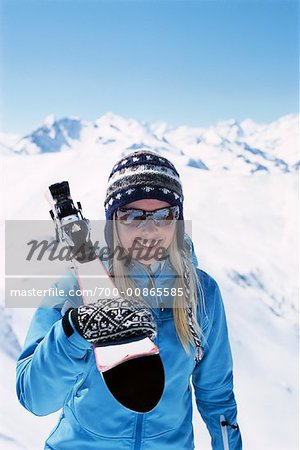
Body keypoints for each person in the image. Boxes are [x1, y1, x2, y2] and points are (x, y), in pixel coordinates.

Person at [16, 150, 242, 449]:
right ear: (113, 222)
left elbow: (217, 396)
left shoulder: (201, 292)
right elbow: (36, 398)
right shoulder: (76, 286)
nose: (150, 228)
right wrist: (73, 332)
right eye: (132, 215)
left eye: (164, 214)